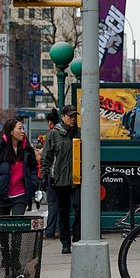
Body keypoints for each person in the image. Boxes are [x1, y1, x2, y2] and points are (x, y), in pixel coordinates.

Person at [40, 104, 81, 254]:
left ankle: (77, 237)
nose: (73, 119)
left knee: (80, 208)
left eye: (74, 116)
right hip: (60, 179)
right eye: (70, 116)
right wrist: (44, 176)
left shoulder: (80, 133)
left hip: (78, 179)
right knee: (62, 211)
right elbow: (47, 157)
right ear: (63, 117)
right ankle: (65, 242)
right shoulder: (54, 135)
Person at [0, 118, 39, 215]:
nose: (22, 131)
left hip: (21, 194)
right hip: (1, 195)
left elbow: (34, 168)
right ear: (11, 131)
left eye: (23, 129)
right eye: (20, 128)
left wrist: (33, 184)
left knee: (16, 226)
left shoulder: (27, 150)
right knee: (3, 227)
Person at [42, 108, 60, 238]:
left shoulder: (51, 135)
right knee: (60, 204)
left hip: (53, 174)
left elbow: (46, 158)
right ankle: (58, 228)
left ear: (50, 122)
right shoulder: (64, 133)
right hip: (63, 174)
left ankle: (50, 230)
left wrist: (44, 175)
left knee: (53, 203)